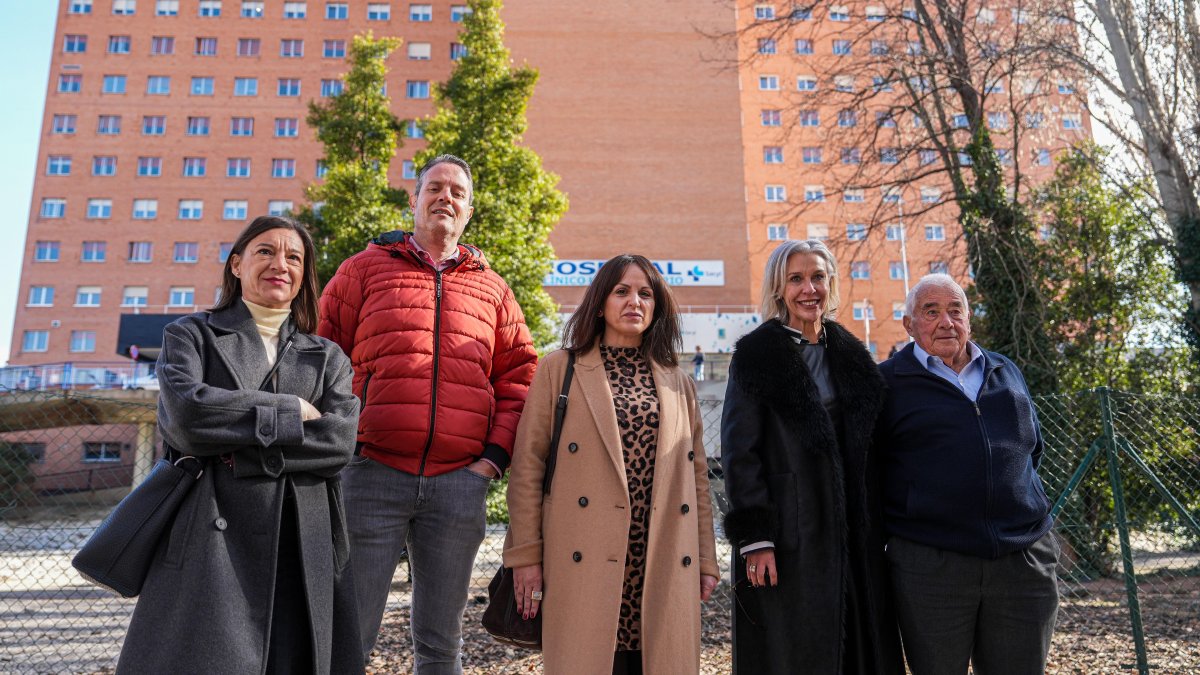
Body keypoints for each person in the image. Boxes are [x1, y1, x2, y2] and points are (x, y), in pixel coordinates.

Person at [318, 154, 538, 673]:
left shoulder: (493, 289)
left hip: (458, 484)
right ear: (412, 200)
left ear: (469, 209)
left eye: (457, 191)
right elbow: (321, 357)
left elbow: (519, 380)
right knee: (348, 633)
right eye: (434, 188)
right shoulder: (362, 270)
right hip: (370, 474)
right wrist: (344, 443)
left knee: (442, 643)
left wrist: (493, 458)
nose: (446, 197)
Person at [117, 216, 363, 674]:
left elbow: (337, 442)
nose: (280, 264)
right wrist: (288, 411)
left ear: (304, 276)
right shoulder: (191, 335)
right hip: (209, 537)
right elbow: (188, 419)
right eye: (265, 251)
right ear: (236, 265)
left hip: (301, 535)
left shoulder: (327, 357)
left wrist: (233, 446)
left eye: (294, 257)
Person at [505, 254, 720, 674]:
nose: (634, 301)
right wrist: (526, 556)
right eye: (621, 291)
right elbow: (528, 466)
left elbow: (696, 478)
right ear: (600, 301)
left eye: (645, 293)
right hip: (584, 552)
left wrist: (705, 558)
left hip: (659, 551)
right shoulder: (559, 369)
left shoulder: (678, 379)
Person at [720, 239, 904, 674]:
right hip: (791, 531)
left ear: (831, 282)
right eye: (796, 279)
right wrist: (756, 539)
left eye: (818, 277)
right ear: (779, 288)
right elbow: (739, 451)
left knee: (861, 643)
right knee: (797, 649)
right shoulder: (757, 353)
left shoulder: (849, 351)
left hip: (856, 531)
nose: (809, 289)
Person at [875, 273, 1059, 675]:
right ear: (909, 325)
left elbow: (1033, 450)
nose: (946, 322)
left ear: (968, 318)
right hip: (932, 564)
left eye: (955, 310)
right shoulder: (886, 383)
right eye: (931, 311)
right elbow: (871, 471)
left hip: (1021, 560)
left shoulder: (1003, 369)